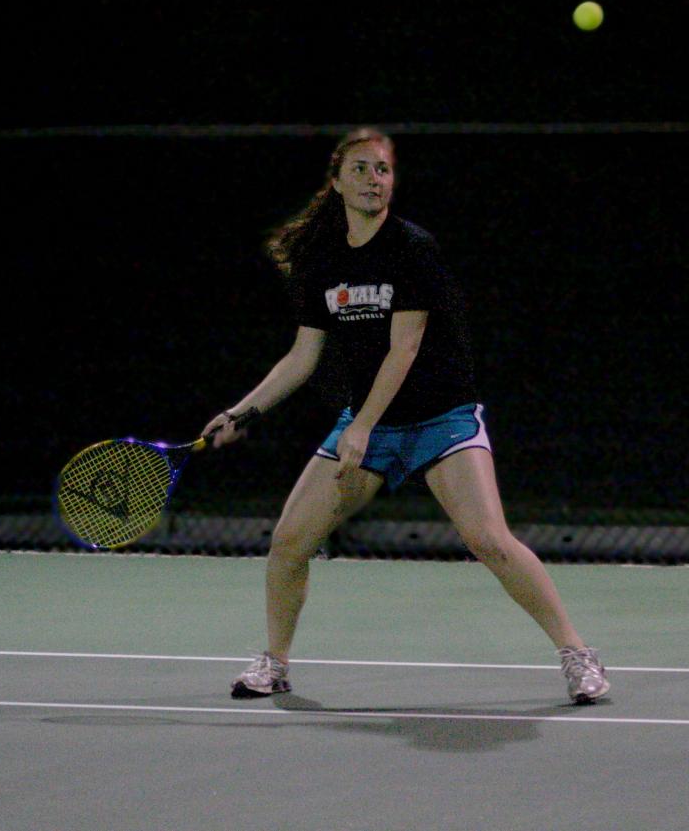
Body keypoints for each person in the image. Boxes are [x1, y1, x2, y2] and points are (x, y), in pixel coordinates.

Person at [201, 128, 609, 705]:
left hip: (440, 420)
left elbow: (406, 346)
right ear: (337, 179)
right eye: (363, 169)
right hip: (370, 422)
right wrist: (243, 411)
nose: (375, 180)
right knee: (290, 540)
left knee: (488, 539)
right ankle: (275, 663)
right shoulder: (322, 263)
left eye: (384, 171)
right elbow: (303, 355)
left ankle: (577, 653)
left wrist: (360, 427)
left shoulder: (412, 247)